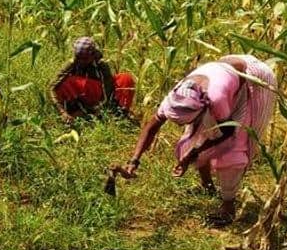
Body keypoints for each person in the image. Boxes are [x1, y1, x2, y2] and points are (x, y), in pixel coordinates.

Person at [107, 55, 276, 227]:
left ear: (202, 109)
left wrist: (195, 151)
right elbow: (151, 128)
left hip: (252, 80)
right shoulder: (175, 98)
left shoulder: (215, 99)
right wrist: (134, 161)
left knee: (232, 151)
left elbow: (227, 131)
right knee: (194, 139)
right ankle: (208, 186)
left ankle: (228, 208)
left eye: (185, 121)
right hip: (226, 74)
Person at [51, 36, 136, 123]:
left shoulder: (102, 65)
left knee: (125, 78)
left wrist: (95, 109)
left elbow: (107, 92)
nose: (81, 61)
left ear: (92, 55)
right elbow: (52, 87)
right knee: (67, 82)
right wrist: (62, 112)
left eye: (84, 59)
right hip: (79, 99)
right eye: (78, 58)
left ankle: (120, 112)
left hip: (99, 99)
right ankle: (76, 111)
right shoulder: (72, 63)